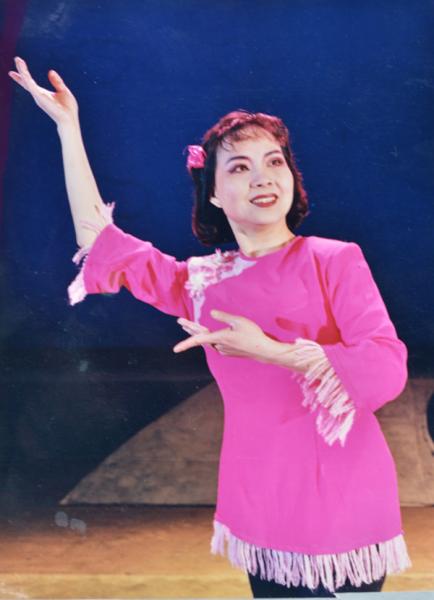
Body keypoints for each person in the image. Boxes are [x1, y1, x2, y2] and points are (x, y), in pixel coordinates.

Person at [8, 57, 412, 598]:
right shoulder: (202, 283)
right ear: (215, 193)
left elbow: (386, 367)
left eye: (274, 162)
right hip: (261, 502)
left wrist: (272, 350)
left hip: (341, 499)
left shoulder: (333, 259)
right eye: (239, 167)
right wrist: (68, 127)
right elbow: (98, 237)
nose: (262, 176)